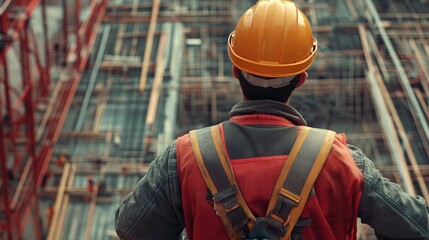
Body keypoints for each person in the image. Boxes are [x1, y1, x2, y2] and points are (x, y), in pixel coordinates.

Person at [115, 0, 429, 239]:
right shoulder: (341, 160)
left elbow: (131, 229)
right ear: (301, 79)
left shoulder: (184, 158)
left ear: (236, 71)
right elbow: (417, 225)